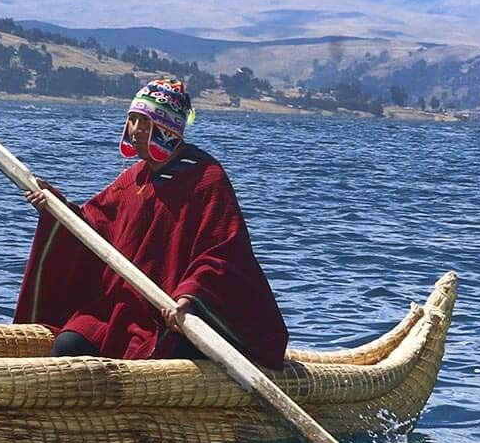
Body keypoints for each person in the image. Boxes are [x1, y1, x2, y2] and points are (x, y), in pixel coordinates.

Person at [14, 78, 290, 368]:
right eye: (131, 121)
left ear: (166, 128)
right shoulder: (133, 180)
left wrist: (190, 295)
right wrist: (56, 209)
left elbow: (223, 251)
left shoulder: (206, 178)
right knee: (69, 345)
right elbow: (91, 227)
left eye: (143, 123)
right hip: (121, 306)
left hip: (170, 312)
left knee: (158, 352)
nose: (133, 131)